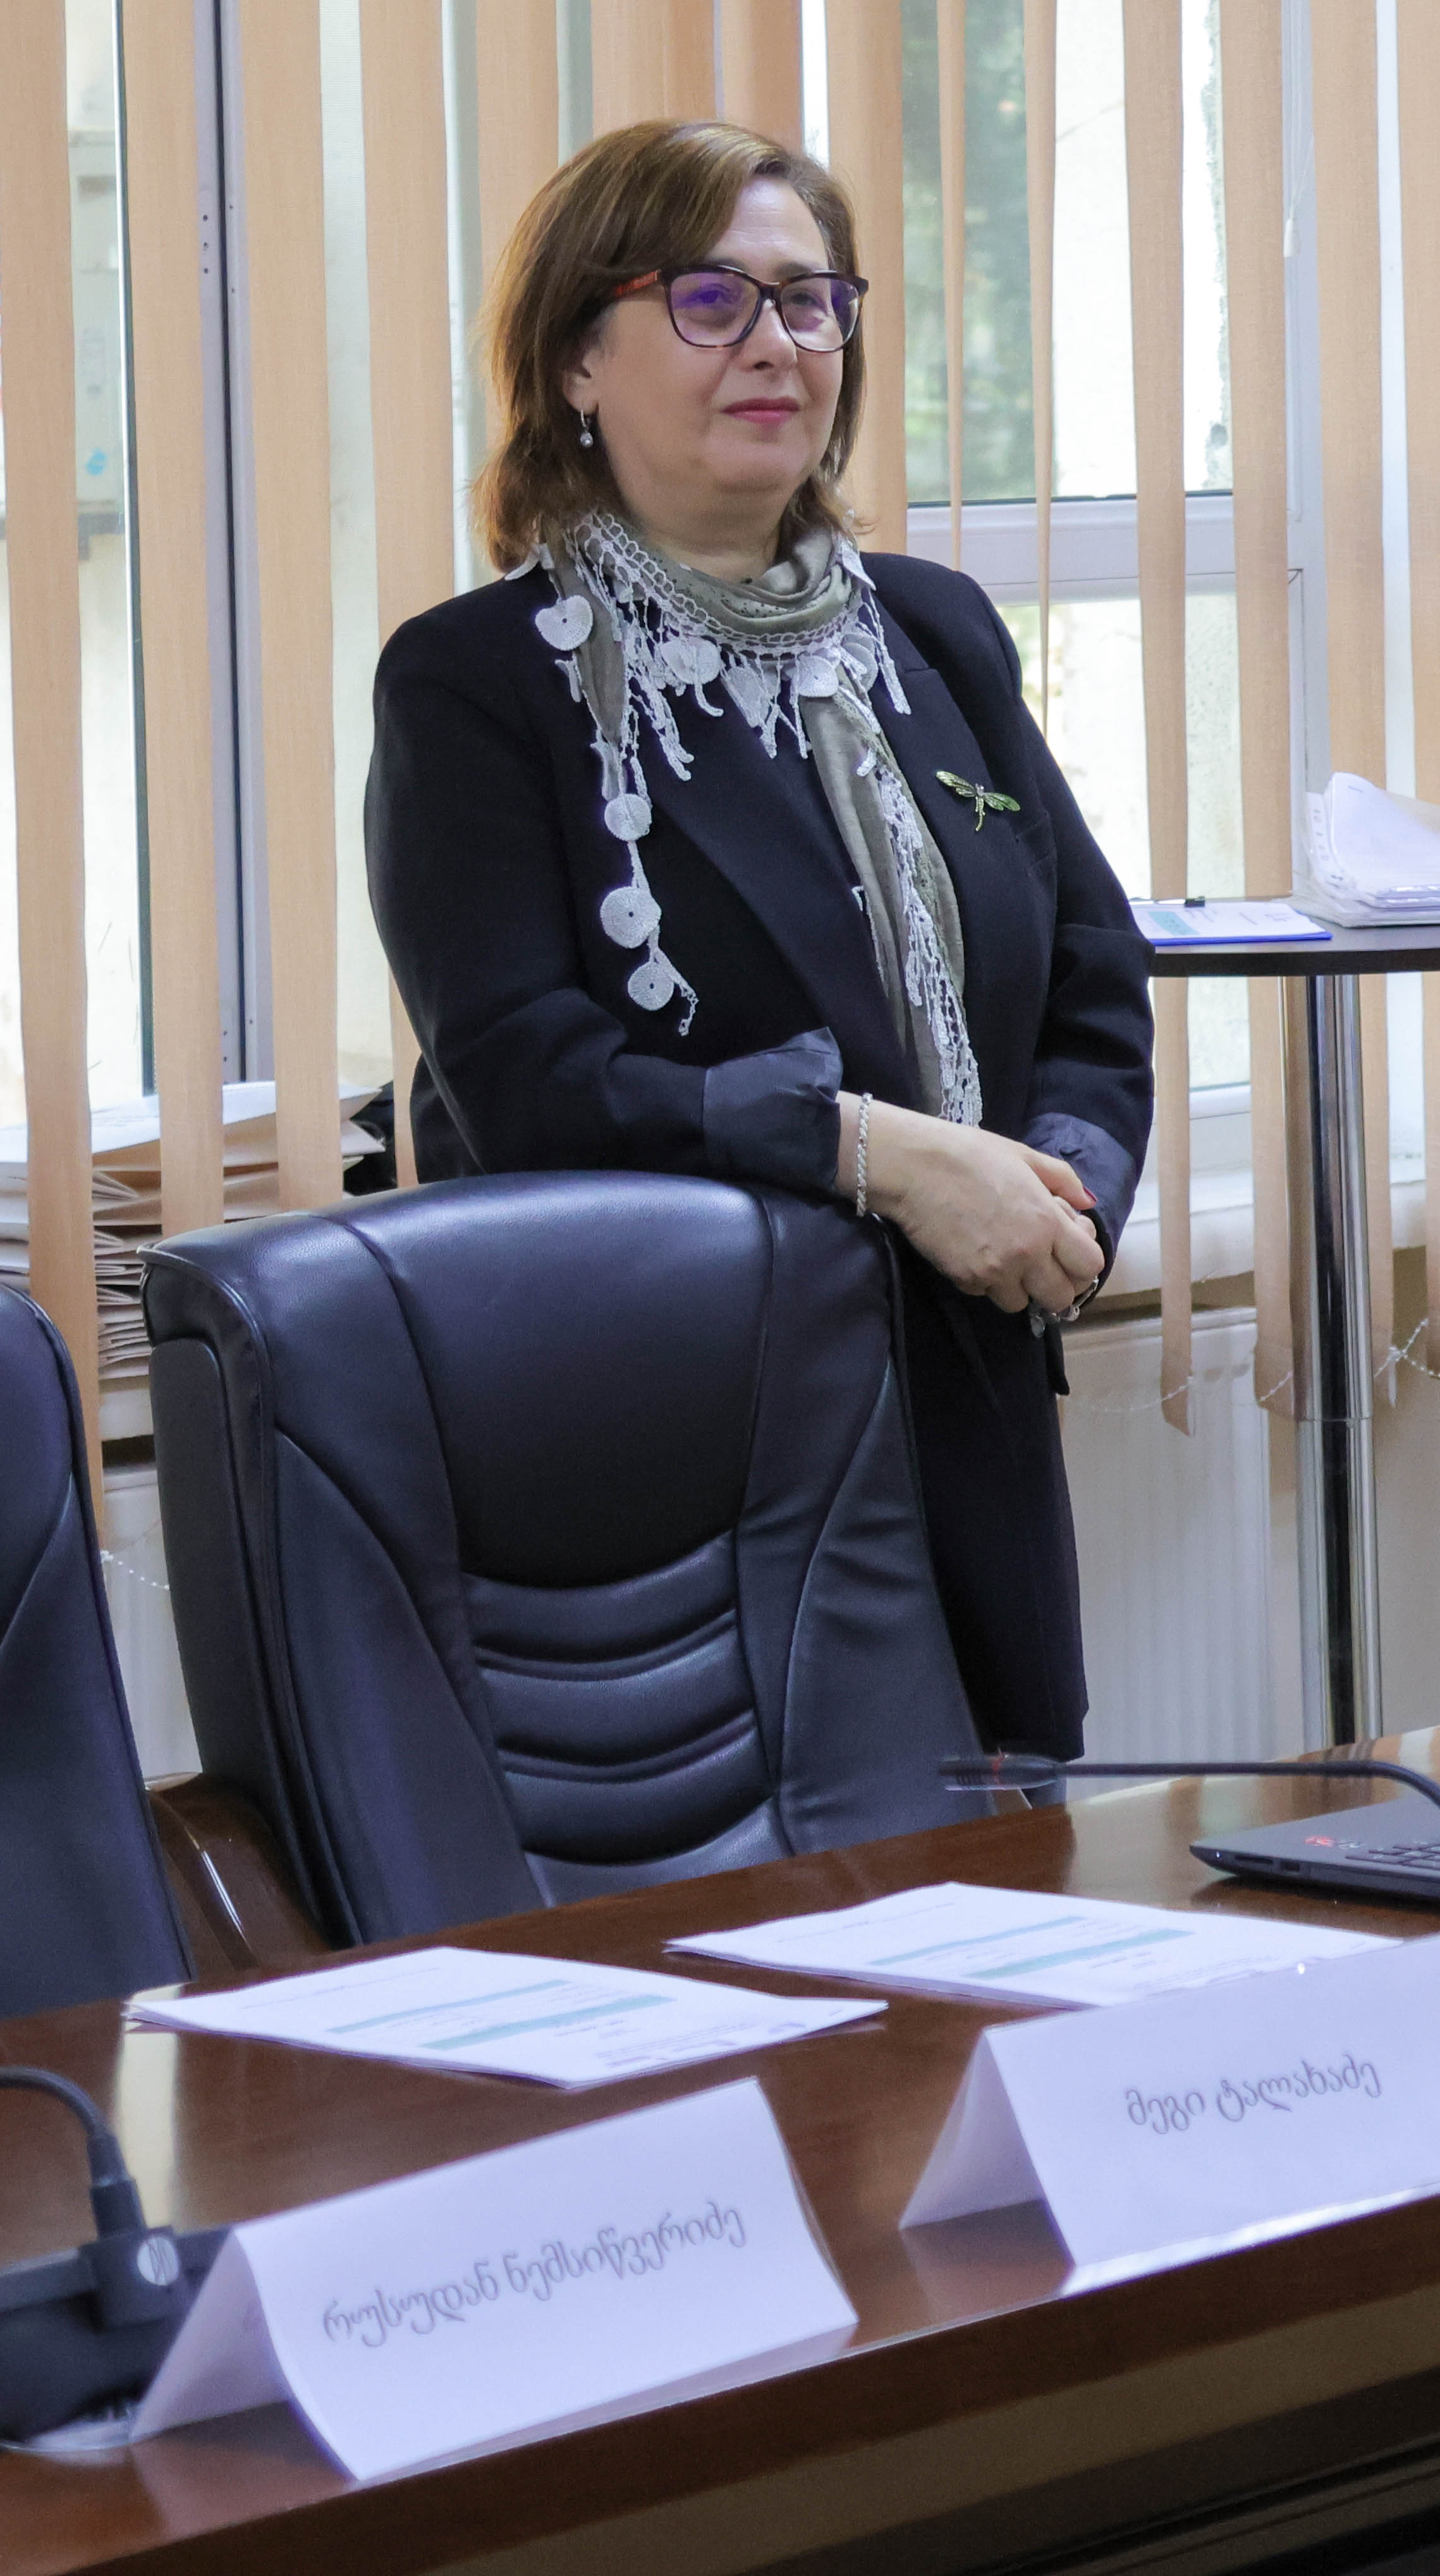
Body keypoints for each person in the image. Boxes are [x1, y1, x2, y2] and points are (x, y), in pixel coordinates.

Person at [367, 119, 1154, 1754]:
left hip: (969, 1409)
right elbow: (528, 1084)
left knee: (1003, 1868)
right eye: (711, 299)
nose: (776, 343)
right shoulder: (476, 684)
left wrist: (1053, 1192)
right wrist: (884, 1153)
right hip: (664, 1439)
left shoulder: (933, 629)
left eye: (810, 300)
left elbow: (1089, 971)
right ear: (576, 358)